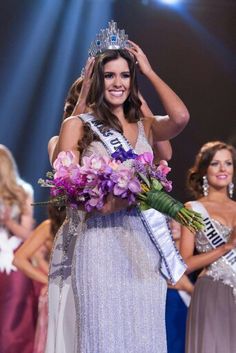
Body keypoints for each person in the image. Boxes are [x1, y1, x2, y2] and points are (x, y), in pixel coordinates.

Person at [45, 21, 190, 353]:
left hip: (141, 244)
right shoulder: (77, 125)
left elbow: (180, 118)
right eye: (109, 75)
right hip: (98, 243)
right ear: (98, 79)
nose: (117, 83)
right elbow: (66, 185)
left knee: (144, 335)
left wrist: (149, 72)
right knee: (102, 335)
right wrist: (111, 202)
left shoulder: (146, 126)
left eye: (125, 75)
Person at [179, 141, 236, 353]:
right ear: (204, 170)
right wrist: (225, 247)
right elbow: (185, 264)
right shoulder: (193, 209)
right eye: (215, 164)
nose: (223, 169)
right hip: (213, 291)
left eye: (228, 163)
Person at [13, 204, 66, 353]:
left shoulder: (87, 222)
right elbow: (19, 259)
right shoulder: (49, 226)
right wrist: (48, 280)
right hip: (55, 294)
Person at [0, 144, 36, 353]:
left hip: (13, 258)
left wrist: (8, 222)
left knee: (13, 316)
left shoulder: (23, 191)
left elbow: (29, 235)